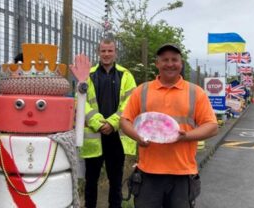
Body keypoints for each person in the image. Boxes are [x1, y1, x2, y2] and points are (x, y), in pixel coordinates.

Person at [120, 44, 218, 208]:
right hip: (148, 173)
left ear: (181, 63)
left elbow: (212, 126)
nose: (170, 64)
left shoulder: (195, 92)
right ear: (157, 64)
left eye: (174, 59)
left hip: (182, 174)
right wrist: (138, 137)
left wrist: (186, 136)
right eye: (165, 60)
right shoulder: (142, 91)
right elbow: (125, 121)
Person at [81, 36, 137, 208]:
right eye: (103, 51)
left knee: (116, 182)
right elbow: (81, 102)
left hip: (116, 137)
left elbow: (130, 103)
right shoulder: (87, 75)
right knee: (91, 182)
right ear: (98, 52)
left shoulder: (126, 75)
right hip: (94, 137)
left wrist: (112, 123)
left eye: (110, 51)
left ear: (115, 53)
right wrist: (98, 123)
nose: (106, 54)